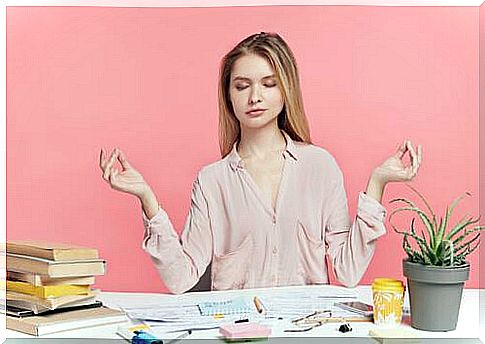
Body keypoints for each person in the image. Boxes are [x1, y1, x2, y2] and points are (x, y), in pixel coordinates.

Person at [99, 32, 422, 294]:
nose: (254, 96)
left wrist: (377, 183)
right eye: (242, 86)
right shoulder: (213, 180)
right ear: (228, 95)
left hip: (304, 330)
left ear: (286, 91)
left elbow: (348, 272)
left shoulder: (319, 166)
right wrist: (147, 199)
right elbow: (181, 278)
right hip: (233, 330)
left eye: (268, 84)